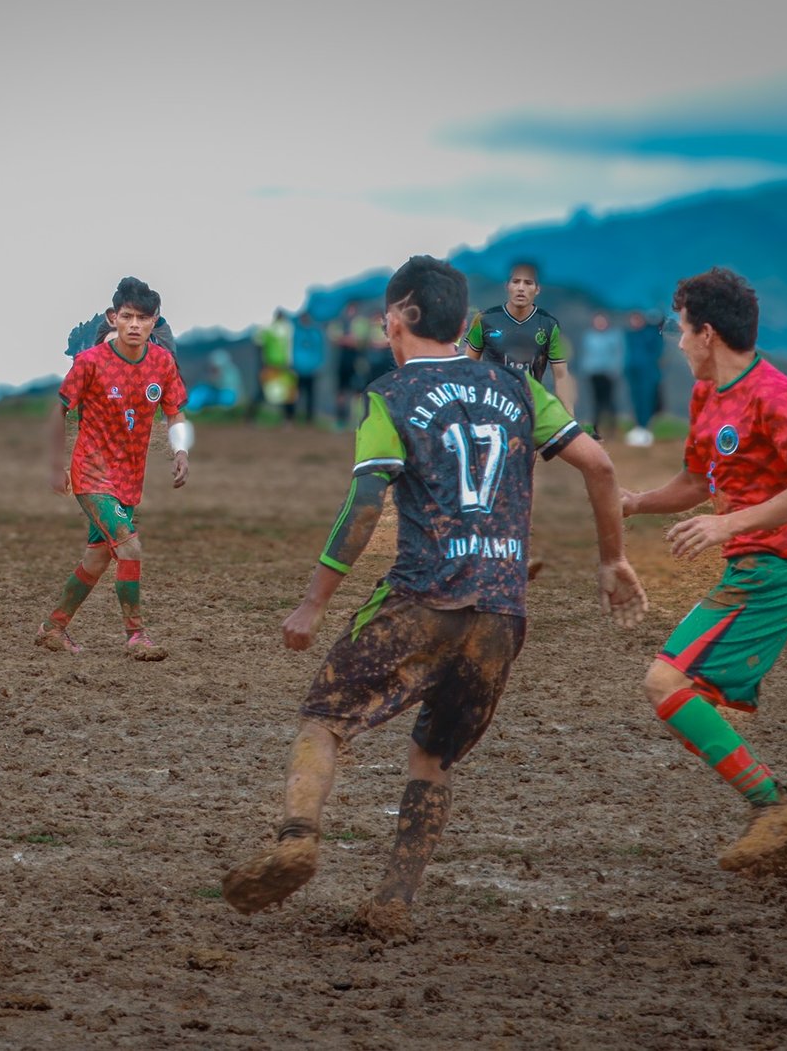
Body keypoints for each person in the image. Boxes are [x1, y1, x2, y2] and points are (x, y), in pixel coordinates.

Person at [221, 255, 648, 938]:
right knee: (433, 755)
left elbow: (364, 504)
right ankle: (395, 901)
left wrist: (312, 601)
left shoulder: (389, 396)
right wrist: (612, 559)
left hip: (423, 601)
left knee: (324, 721)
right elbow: (598, 463)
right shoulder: (514, 386)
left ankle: (298, 838)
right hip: (503, 612)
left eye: (387, 314)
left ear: (400, 318)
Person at [621, 267, 787, 877]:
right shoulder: (707, 395)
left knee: (667, 684)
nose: (678, 340)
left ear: (706, 332)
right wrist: (635, 501)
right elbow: (695, 483)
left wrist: (729, 525)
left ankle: (778, 808)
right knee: (672, 688)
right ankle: (775, 808)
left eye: (680, 328)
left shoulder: (774, 394)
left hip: (774, 573)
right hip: (748, 570)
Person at [37, 277, 190, 661]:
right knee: (130, 545)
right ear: (114, 318)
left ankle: (54, 626)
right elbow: (58, 410)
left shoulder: (163, 363)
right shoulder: (90, 363)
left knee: (98, 557)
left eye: (142, 317)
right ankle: (136, 635)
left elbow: (175, 412)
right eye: (127, 316)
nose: (134, 324)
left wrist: (182, 450)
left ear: (155, 321)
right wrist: (57, 466)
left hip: (129, 477)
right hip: (91, 472)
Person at [465, 261, 577, 415]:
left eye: (528, 283)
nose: (521, 288)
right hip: (493, 407)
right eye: (516, 282)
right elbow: (468, 367)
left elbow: (561, 375)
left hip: (531, 408)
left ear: (537, 289)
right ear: (507, 286)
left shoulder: (548, 324)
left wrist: (569, 419)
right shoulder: (484, 319)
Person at [577, 311, 625, 440]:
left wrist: (615, 370)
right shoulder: (589, 336)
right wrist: (585, 370)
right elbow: (586, 355)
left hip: (608, 373)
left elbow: (618, 354)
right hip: (594, 373)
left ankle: (612, 429)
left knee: (609, 402)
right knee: (596, 402)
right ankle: (596, 429)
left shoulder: (613, 336)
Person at [624, 310, 665, 446]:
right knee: (636, 401)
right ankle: (639, 427)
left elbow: (658, 351)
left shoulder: (651, 334)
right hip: (633, 373)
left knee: (647, 401)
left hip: (649, 374)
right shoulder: (629, 335)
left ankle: (645, 428)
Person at [248, 308, 296, 424]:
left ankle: (288, 418)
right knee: (265, 391)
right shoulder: (274, 329)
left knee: (286, 392)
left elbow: (288, 348)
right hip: (272, 365)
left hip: (280, 365)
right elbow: (259, 343)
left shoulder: (285, 329)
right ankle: (287, 419)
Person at [327, 302, 367, 429]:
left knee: (358, 392)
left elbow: (359, 340)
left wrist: (345, 340)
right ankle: (340, 419)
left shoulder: (361, 322)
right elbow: (334, 338)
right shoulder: (339, 322)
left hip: (356, 361)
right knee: (341, 392)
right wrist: (347, 340)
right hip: (342, 360)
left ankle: (357, 420)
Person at [290, 311, 327, 425]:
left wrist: (318, 365)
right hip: (297, 368)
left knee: (310, 395)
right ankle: (291, 417)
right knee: (294, 394)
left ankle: (309, 419)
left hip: (311, 369)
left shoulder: (315, 333)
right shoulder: (296, 333)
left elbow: (319, 350)